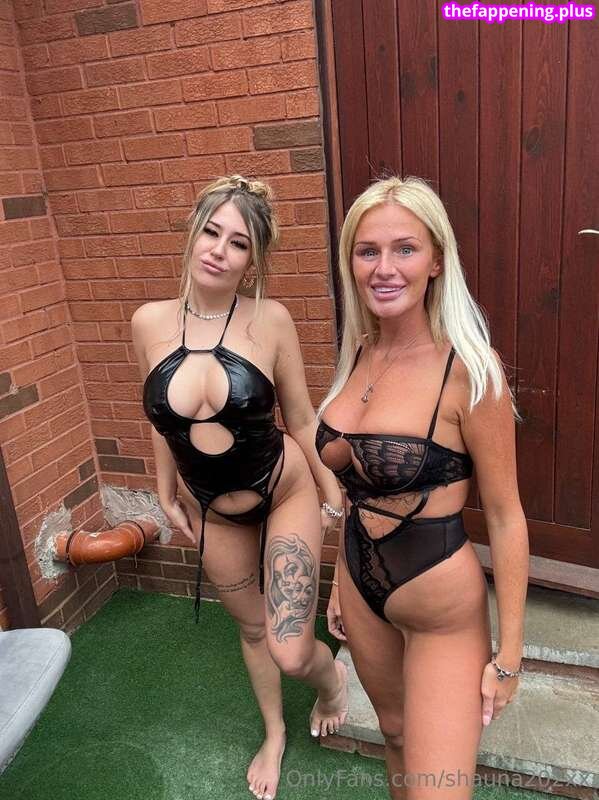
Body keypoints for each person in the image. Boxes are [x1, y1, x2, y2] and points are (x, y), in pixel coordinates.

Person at [132, 175, 347, 800]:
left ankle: (331, 683)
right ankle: (274, 733)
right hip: (211, 509)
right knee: (253, 631)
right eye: (212, 232)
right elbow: (161, 420)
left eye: (239, 243)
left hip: (285, 490)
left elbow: (301, 418)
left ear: (253, 260)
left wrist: (332, 492)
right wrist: (164, 491)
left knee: (291, 650)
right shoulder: (148, 323)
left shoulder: (270, 321)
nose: (219, 250)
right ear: (192, 233)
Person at [317, 176, 529, 799]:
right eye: (368, 251)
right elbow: (354, 492)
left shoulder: (470, 371)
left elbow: (507, 517)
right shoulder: (357, 353)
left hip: (440, 607)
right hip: (361, 585)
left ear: (436, 260)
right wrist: (339, 579)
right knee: (395, 737)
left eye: (404, 249)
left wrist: (509, 657)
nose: (384, 268)